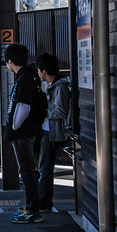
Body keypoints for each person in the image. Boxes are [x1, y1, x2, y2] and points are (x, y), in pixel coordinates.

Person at [5, 44, 46, 223]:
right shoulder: (29, 77)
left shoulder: (24, 80)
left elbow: (22, 107)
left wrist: (13, 129)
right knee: (28, 170)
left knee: (27, 171)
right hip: (26, 133)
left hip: (22, 134)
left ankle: (32, 210)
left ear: (11, 61)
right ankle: (31, 207)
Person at [35, 52, 72, 213]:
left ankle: (44, 203)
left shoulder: (61, 86)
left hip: (52, 133)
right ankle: (43, 201)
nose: (37, 72)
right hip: (46, 131)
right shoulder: (49, 85)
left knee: (45, 169)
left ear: (44, 70)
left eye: (38, 69)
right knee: (43, 168)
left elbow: (61, 111)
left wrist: (44, 111)